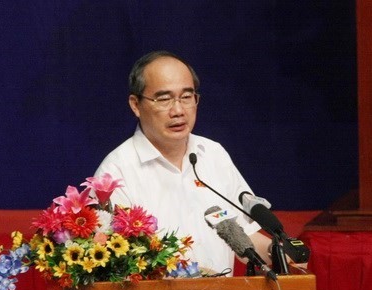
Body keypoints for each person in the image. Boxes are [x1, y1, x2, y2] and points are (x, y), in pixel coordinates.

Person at [94, 50, 271, 275]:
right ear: (136, 105)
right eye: (164, 99)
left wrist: (279, 250)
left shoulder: (213, 154)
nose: (178, 111)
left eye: (186, 97)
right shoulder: (115, 173)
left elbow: (243, 236)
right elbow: (112, 264)